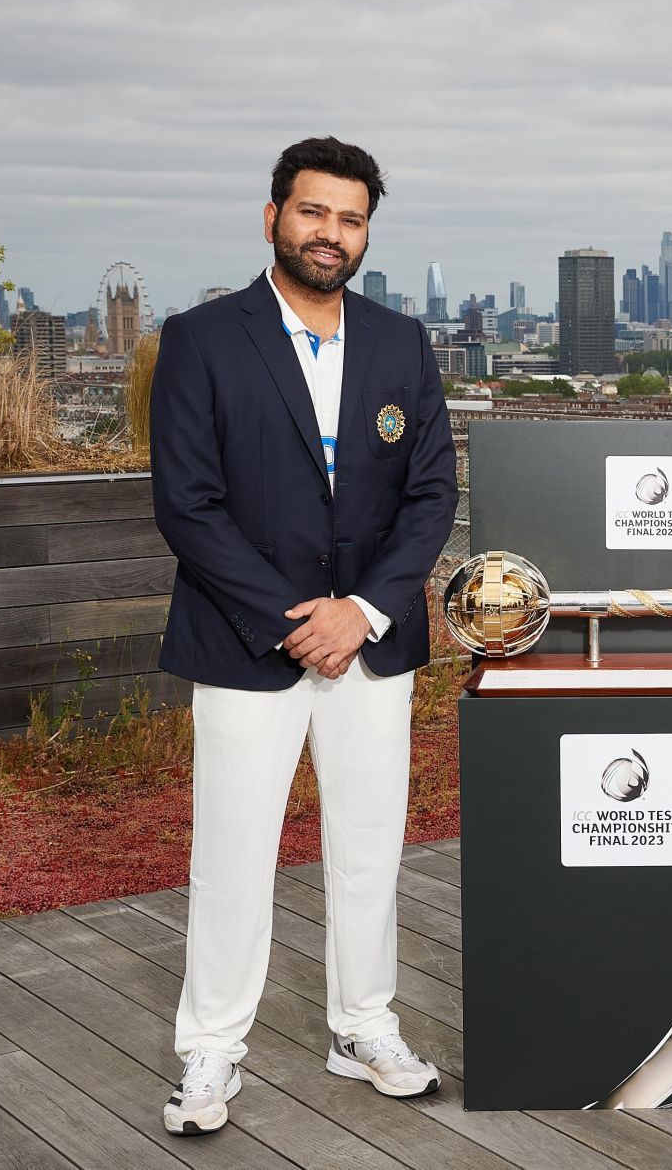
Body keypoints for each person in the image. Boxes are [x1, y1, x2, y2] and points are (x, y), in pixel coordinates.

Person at [150, 136, 457, 1134]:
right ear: (274, 215)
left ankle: (363, 1024)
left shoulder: (401, 344)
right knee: (232, 852)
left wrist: (361, 611)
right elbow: (188, 507)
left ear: (368, 231)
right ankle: (210, 1052)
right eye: (315, 212)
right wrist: (298, 622)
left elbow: (431, 497)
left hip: (372, 643)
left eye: (351, 218)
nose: (332, 233)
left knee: (370, 845)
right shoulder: (200, 339)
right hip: (248, 645)